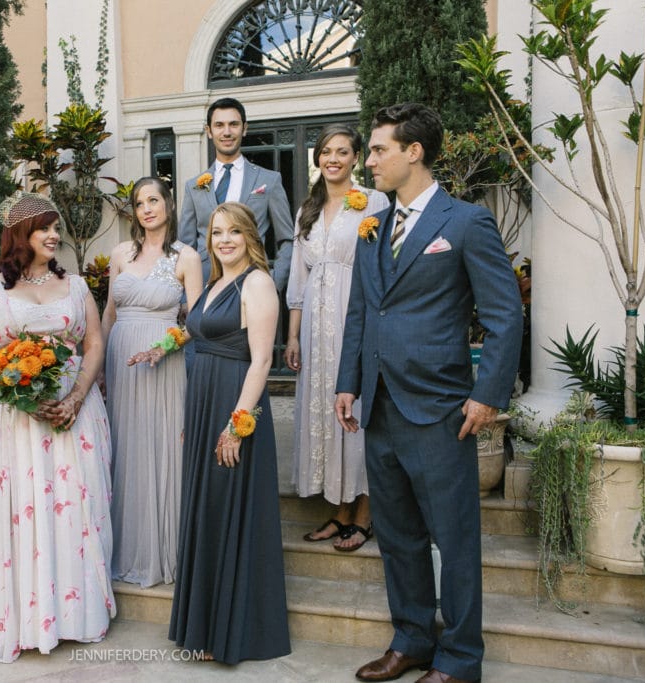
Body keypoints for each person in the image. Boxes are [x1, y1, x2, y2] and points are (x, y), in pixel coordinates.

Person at [335, 103, 522, 683]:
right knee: (396, 535)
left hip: (443, 407)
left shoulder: (465, 222)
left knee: (455, 539)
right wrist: (348, 383)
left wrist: (487, 394)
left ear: (413, 152)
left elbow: (505, 313)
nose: (368, 161)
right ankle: (412, 639)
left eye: (377, 150)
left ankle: (462, 659)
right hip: (381, 406)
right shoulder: (372, 224)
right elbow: (361, 309)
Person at [0, 190, 115, 663]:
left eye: (56, 228)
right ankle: (20, 617)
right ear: (20, 236)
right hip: (13, 418)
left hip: (73, 414)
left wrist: (74, 397)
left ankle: (73, 613)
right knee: (17, 509)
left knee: (72, 506)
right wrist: (20, 395)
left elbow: (93, 344)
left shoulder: (76, 287)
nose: (54, 235)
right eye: (44, 228)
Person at [156, 201, 290, 664]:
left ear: (249, 235)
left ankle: (232, 631)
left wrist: (236, 427)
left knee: (228, 507)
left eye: (234, 232)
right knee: (207, 510)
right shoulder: (215, 283)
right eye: (216, 233)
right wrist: (160, 347)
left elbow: (262, 361)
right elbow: (196, 333)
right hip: (203, 404)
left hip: (236, 404)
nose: (225, 240)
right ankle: (205, 626)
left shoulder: (257, 282)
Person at [283, 124, 389, 552]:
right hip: (313, 327)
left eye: (342, 151)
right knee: (326, 414)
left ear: (357, 157)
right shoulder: (306, 210)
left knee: (356, 412)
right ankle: (340, 510)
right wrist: (292, 337)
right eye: (326, 151)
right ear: (318, 158)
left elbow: (382, 268)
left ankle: (364, 515)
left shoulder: (374, 202)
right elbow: (297, 277)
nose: (333, 159)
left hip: (354, 317)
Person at [102, 176, 202, 587]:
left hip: (164, 364)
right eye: (140, 202)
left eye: (154, 200)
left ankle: (164, 550)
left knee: (161, 448)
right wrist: (98, 371)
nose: (147, 208)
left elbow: (195, 320)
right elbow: (108, 311)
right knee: (123, 450)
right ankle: (123, 548)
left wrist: (165, 346)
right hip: (120, 363)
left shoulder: (187, 257)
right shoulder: (120, 253)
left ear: (169, 205)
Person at [178, 97, 295, 291]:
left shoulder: (269, 180)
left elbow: (288, 240)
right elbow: (185, 247)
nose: (226, 132)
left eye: (233, 124)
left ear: (244, 128)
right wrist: (185, 296)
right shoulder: (193, 186)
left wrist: (274, 283)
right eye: (219, 125)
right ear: (209, 131)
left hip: (254, 286)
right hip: (205, 287)